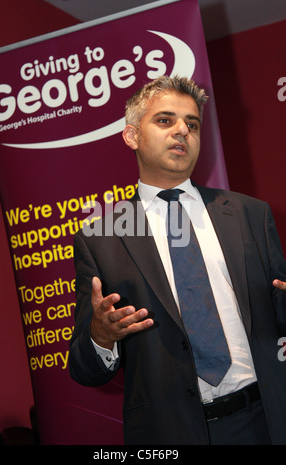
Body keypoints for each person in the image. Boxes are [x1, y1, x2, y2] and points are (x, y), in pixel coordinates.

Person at [69, 75, 286, 445]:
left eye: (193, 123)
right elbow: (85, 370)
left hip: (265, 419)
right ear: (132, 136)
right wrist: (101, 336)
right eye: (165, 120)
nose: (183, 130)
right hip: (169, 433)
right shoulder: (101, 239)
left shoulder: (250, 214)